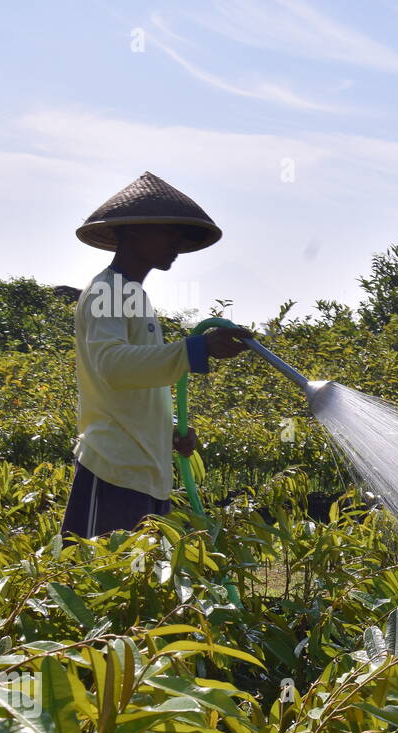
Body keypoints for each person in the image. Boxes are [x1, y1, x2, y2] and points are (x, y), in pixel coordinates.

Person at [60, 171, 253, 538]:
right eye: (168, 232)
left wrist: (164, 431)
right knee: (99, 584)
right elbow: (113, 367)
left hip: (143, 469)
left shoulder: (133, 295)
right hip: (114, 467)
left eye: (180, 235)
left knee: (137, 588)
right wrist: (198, 347)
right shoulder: (108, 291)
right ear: (132, 231)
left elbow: (138, 381)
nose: (177, 245)